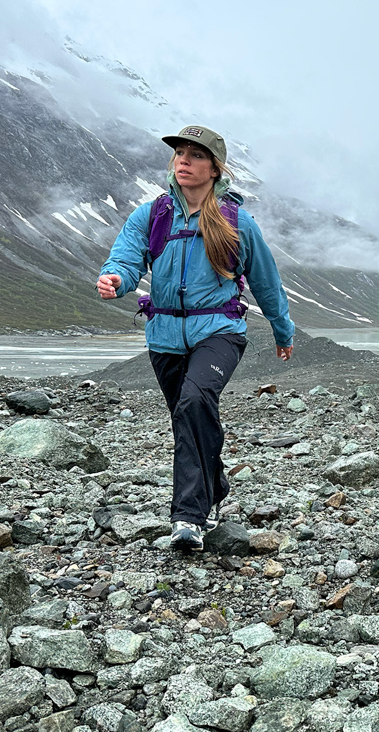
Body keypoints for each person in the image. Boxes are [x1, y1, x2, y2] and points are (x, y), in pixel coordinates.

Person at [97, 124, 295, 553]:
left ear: (215, 168)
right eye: (180, 154)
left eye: (196, 155)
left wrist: (283, 330)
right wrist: (117, 277)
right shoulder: (152, 215)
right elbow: (128, 257)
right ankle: (214, 482)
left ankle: (189, 516)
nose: (184, 161)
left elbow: (266, 282)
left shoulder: (236, 221)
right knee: (188, 418)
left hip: (219, 332)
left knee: (194, 402)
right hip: (165, 335)